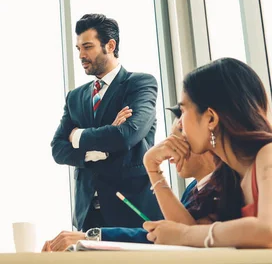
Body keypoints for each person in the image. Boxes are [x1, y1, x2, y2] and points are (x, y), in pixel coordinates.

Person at [42, 105, 243, 251]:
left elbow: (183, 238)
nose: (169, 152)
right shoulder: (193, 189)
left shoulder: (233, 187)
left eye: (176, 139)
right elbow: (173, 236)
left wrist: (91, 236)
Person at [143, 58, 272, 248]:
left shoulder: (267, 154)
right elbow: (193, 237)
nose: (180, 123)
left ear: (210, 118)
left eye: (183, 110)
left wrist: (184, 234)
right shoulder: (229, 176)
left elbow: (267, 231)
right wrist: (152, 168)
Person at [51, 13, 162, 231]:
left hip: (132, 212)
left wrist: (78, 136)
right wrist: (96, 148)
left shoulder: (140, 84)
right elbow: (57, 149)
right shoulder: (75, 97)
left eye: (88, 47)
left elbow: (127, 135)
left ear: (110, 46)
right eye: (78, 48)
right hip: (88, 215)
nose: (81, 55)